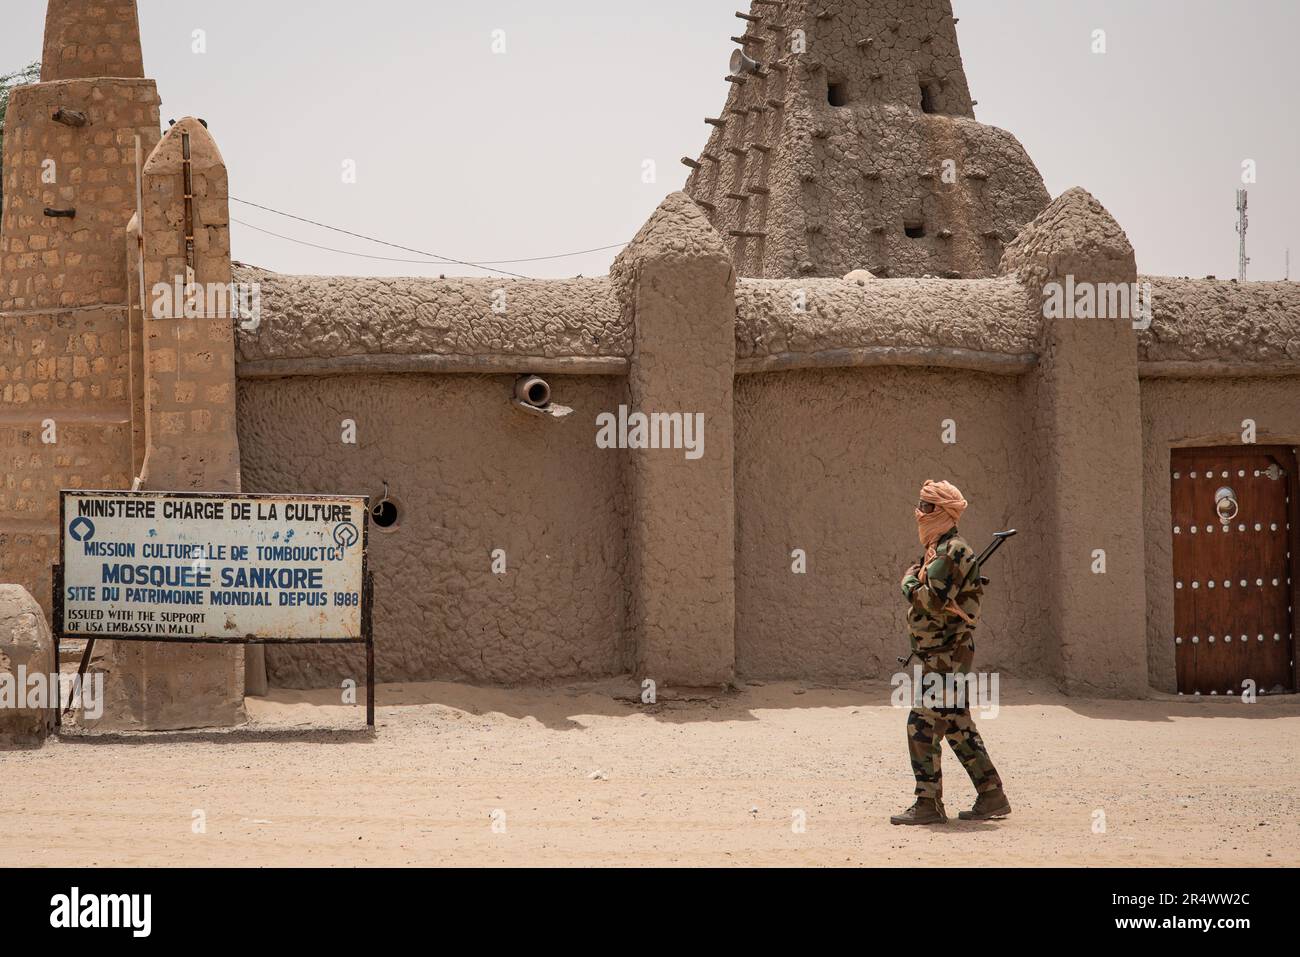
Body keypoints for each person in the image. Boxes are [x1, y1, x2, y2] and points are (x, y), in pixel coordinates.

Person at [890, 480, 1010, 826]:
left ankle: (927, 804)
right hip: (941, 652)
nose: (920, 512)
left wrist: (908, 582)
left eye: (927, 507)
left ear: (942, 512)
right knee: (956, 724)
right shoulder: (939, 548)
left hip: (947, 653)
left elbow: (932, 600)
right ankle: (992, 794)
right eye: (920, 505)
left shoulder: (951, 551)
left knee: (921, 724)